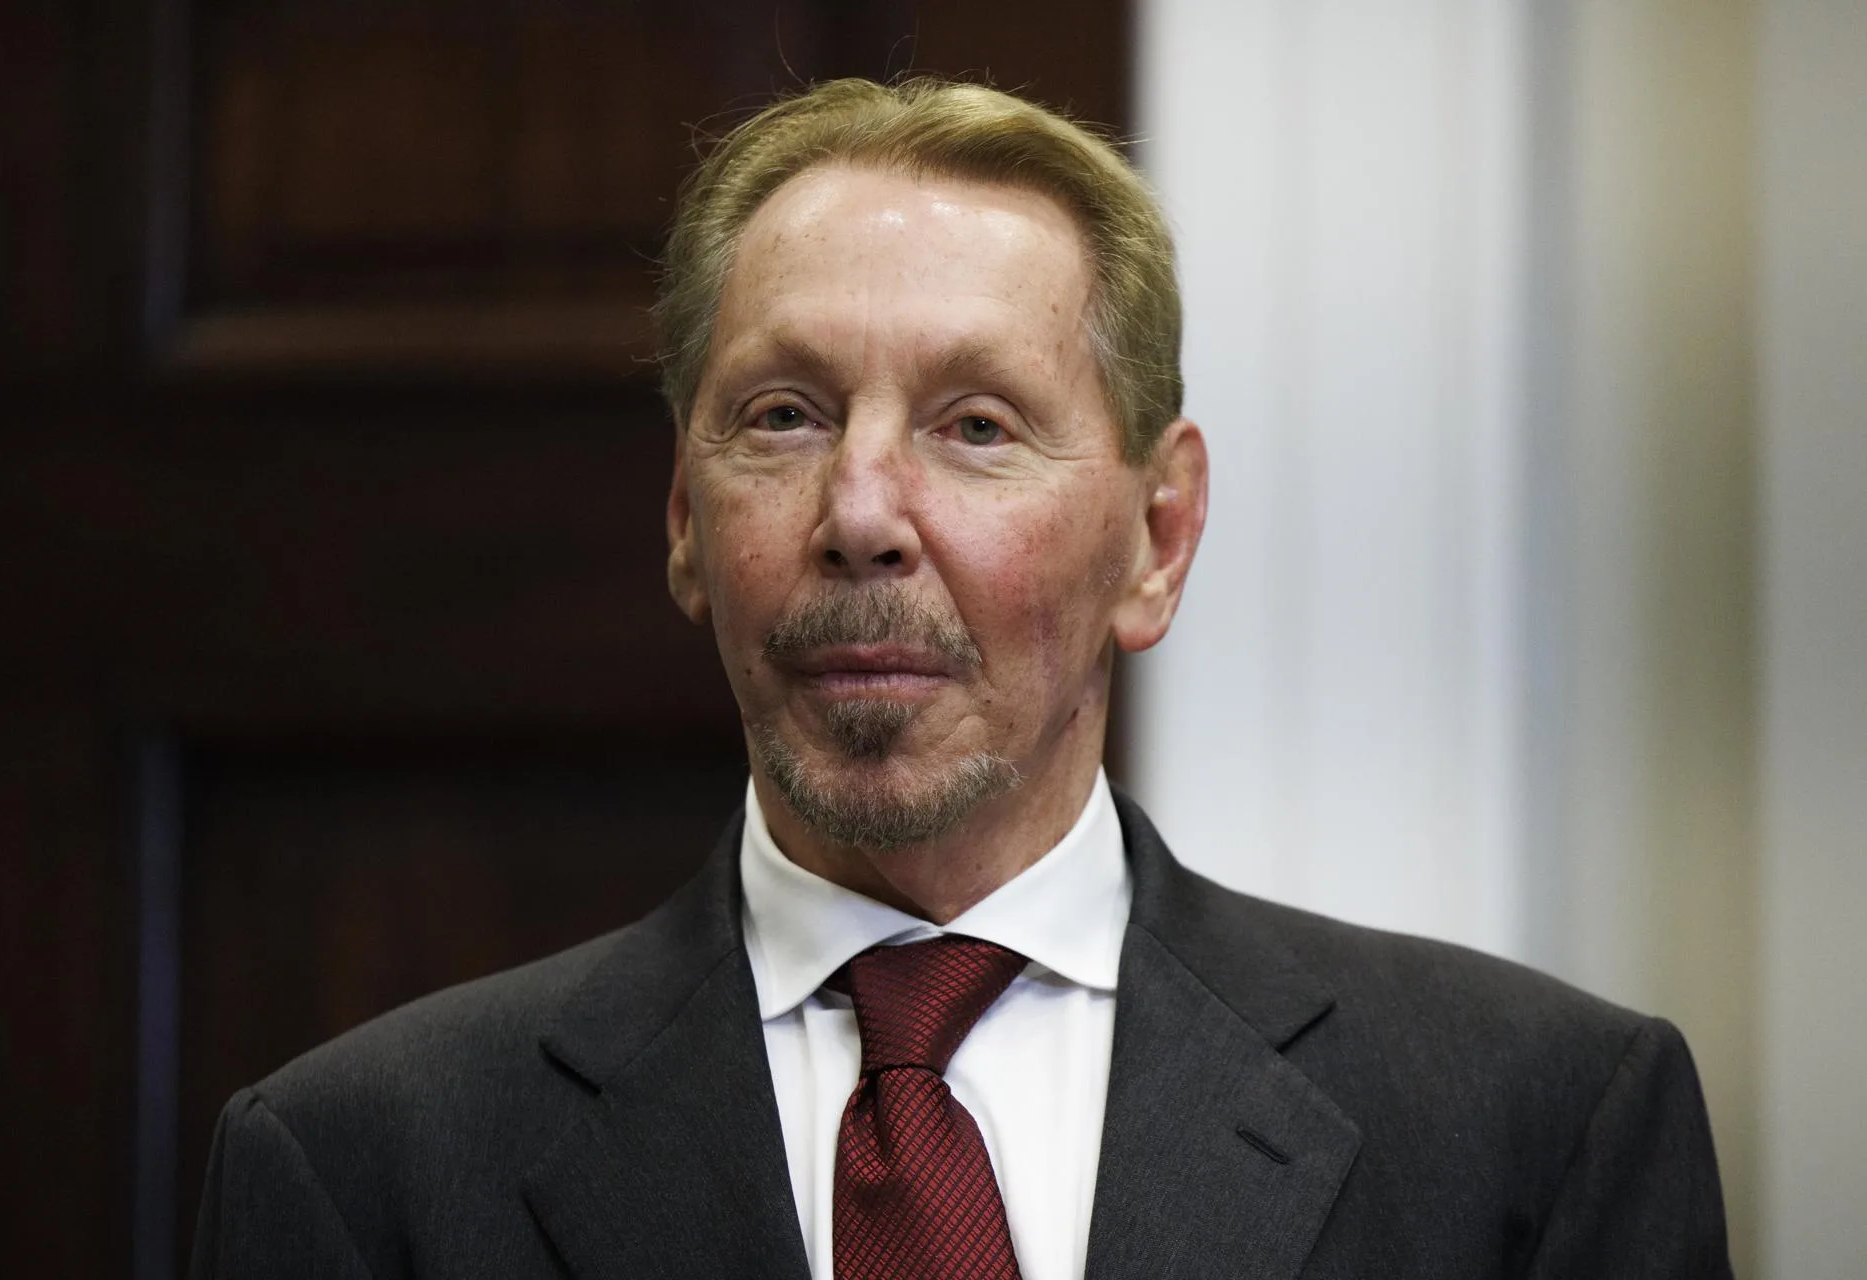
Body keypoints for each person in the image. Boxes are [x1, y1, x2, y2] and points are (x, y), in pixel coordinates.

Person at [189, 78, 1732, 1280]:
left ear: (1159, 536)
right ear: (684, 520)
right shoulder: (367, 1168)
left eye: (978, 426)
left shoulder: (1535, 1128)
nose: (860, 514)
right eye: (783, 416)